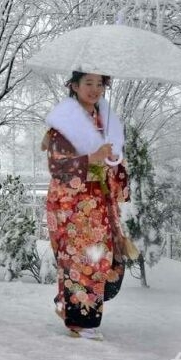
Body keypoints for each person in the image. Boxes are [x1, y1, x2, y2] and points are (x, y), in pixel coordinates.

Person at [42, 71, 133, 341]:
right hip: (74, 204)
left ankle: (67, 304)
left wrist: (114, 163)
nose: (95, 89)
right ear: (74, 85)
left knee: (102, 260)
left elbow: (115, 167)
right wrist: (92, 158)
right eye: (88, 83)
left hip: (99, 202)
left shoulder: (108, 123)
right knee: (83, 259)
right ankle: (80, 321)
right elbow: (57, 165)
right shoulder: (64, 123)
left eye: (100, 84)